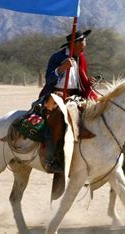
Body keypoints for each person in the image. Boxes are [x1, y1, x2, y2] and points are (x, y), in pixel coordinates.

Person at [39, 29, 98, 173]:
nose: (85, 44)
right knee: (58, 116)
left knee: (95, 109)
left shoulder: (80, 58)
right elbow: (49, 79)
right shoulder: (57, 57)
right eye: (84, 42)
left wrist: (88, 83)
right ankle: (52, 156)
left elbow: (80, 80)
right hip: (56, 93)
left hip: (74, 94)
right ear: (76, 44)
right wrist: (61, 69)